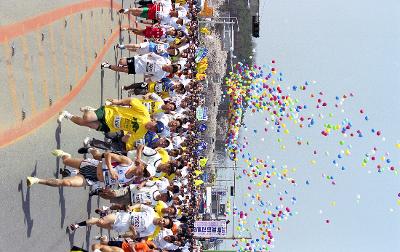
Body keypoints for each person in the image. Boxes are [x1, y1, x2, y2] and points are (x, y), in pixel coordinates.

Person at [58, 98, 165, 144]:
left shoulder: (141, 133)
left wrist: (127, 137)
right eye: (154, 126)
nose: (152, 128)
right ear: (154, 121)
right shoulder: (145, 113)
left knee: (86, 124)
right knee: (87, 118)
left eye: (154, 130)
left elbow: (124, 139)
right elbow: (132, 101)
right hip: (110, 112)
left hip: (111, 126)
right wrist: (118, 101)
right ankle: (90, 110)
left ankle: (67, 115)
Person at [26, 149, 146, 188]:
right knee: (66, 161)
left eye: (145, 175)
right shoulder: (128, 162)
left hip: (92, 179)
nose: (142, 173)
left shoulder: (130, 181)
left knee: (66, 182)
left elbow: (114, 184)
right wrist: (111, 169)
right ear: (141, 165)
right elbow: (109, 155)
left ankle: (36, 180)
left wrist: (108, 189)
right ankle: (65, 154)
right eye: (144, 170)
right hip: (92, 166)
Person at [70, 204, 173, 239]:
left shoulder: (151, 230)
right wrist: (131, 207)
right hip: (125, 217)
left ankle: (103, 213)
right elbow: (140, 206)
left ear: (163, 227)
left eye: (164, 223)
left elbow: (136, 235)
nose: (162, 222)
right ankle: (78, 225)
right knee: (101, 221)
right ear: (163, 217)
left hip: (123, 227)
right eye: (164, 220)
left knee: (99, 224)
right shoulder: (151, 212)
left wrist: (133, 231)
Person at [101, 52, 180, 82]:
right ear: (170, 65)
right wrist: (143, 56)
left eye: (168, 71)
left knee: (123, 70)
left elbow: (151, 79)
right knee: (121, 61)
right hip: (138, 60)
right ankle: (123, 62)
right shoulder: (162, 59)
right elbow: (152, 54)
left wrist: (145, 83)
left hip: (138, 69)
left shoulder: (161, 75)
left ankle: (107, 65)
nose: (167, 69)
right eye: (169, 68)